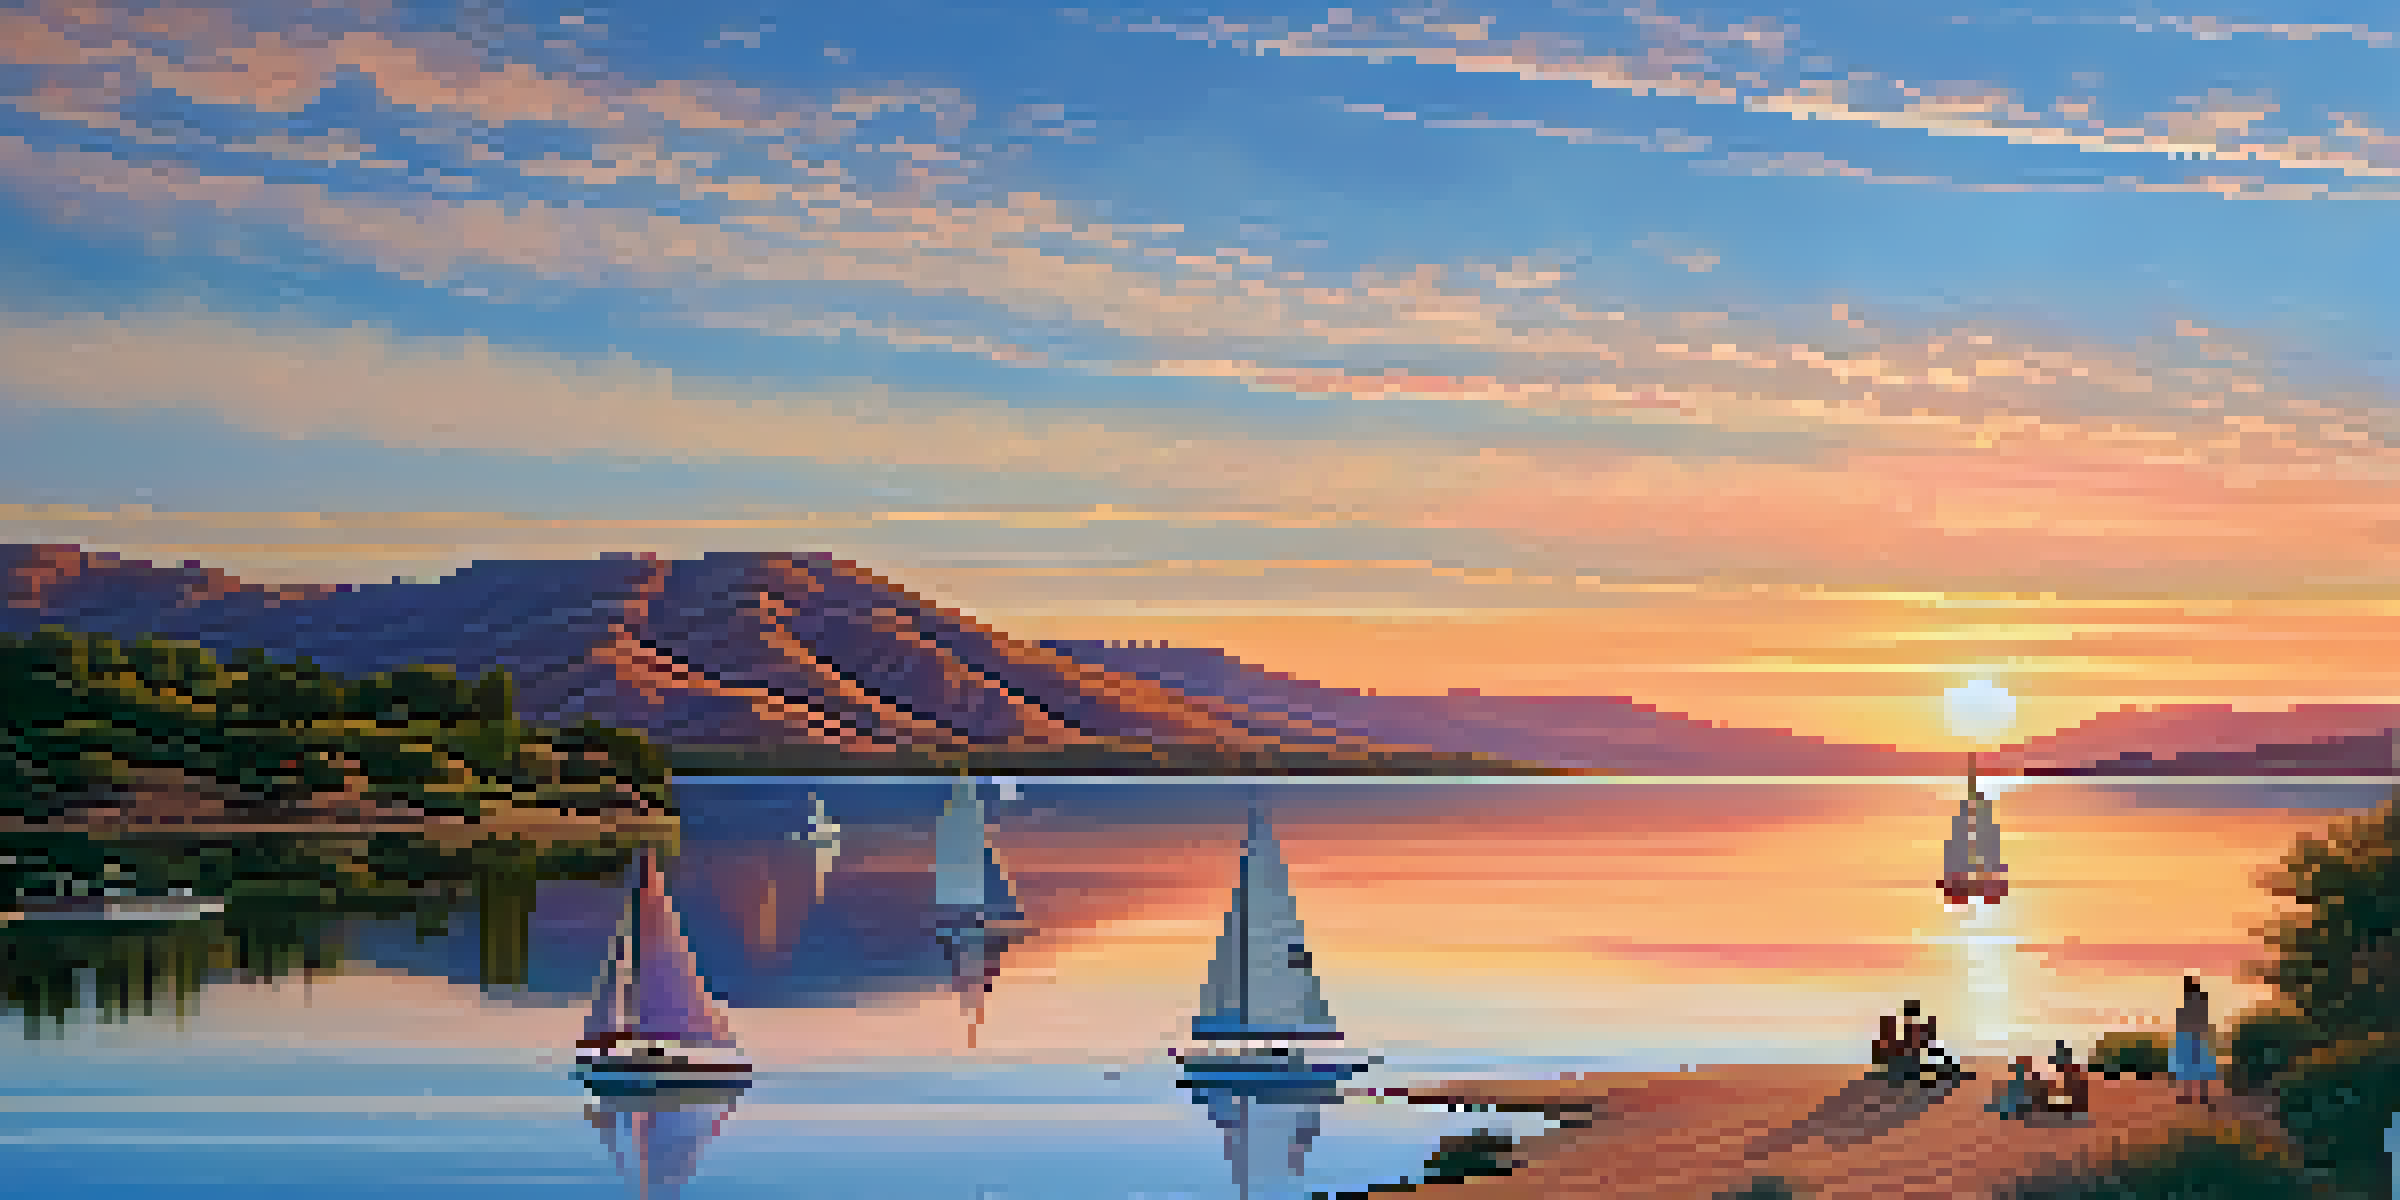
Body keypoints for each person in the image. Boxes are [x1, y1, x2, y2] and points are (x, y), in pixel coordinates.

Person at [2172, 975, 2217, 1105]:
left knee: (2193, 1067)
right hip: (2194, 1035)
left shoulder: (2198, 1000)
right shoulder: (2200, 999)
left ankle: (2197, 1095)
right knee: (2194, 1067)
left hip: (2193, 1036)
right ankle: (2199, 1095)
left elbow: (2190, 1019)